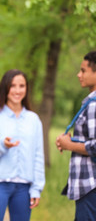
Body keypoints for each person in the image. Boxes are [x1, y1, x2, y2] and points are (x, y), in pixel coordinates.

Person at [0, 69, 45, 221]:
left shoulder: (33, 120)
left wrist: (36, 188)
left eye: (21, 86)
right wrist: (2, 145)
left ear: (26, 88)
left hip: (24, 188)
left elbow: (38, 155)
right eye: (13, 86)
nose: (17, 90)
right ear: (5, 88)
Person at [56, 51, 96, 220]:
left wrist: (69, 145)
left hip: (91, 186)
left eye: (83, 70)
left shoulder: (94, 105)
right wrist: (71, 140)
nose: (78, 74)